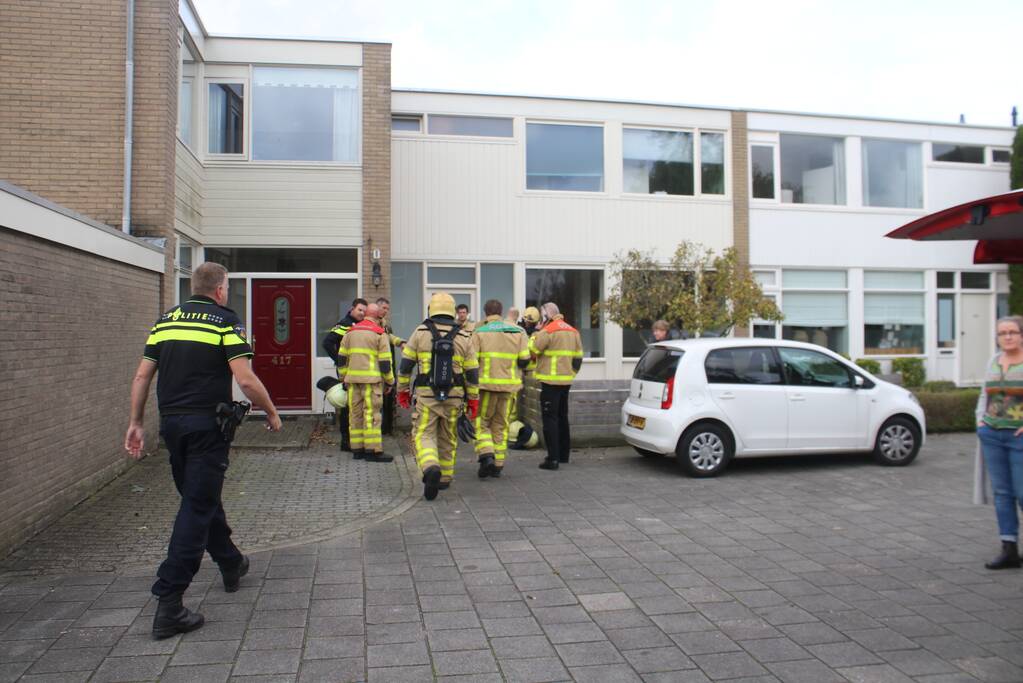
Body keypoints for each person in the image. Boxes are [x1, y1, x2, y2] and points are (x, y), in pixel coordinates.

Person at [124, 262, 282, 640]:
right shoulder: (225, 321)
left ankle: (230, 562)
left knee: (201, 497)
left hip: (172, 426)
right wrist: (273, 412)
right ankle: (169, 601)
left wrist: (135, 422)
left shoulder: (167, 320)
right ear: (221, 289)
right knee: (196, 506)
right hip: (207, 427)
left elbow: (143, 374)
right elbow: (244, 378)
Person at [397, 293, 479, 500]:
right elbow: (472, 373)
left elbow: (405, 366)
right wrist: (473, 400)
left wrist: (403, 391)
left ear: (431, 309)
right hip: (455, 397)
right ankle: (444, 479)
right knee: (448, 437)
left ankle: (430, 467)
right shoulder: (464, 336)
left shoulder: (420, 332)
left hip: (426, 396)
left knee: (424, 435)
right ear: (452, 311)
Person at [975, 315, 1023, 570]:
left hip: (1019, 437)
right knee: (1002, 494)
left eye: (1012, 332)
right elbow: (985, 393)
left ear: (1021, 335)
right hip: (992, 434)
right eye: (1002, 333)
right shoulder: (994, 361)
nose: (1007, 337)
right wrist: (980, 422)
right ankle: (1009, 548)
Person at [472, 299, 530, 478]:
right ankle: (498, 464)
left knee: (482, 423)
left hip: (486, 387)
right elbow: (524, 360)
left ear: (485, 313)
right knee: (500, 425)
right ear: (501, 311)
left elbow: (471, 363)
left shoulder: (479, 332)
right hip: (508, 388)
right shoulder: (517, 332)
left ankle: (487, 454)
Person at [529, 302, 583, 471]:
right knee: (562, 417)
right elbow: (578, 359)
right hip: (566, 382)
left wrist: (534, 333)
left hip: (550, 383)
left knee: (549, 419)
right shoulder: (573, 331)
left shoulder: (547, 331)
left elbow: (532, 351)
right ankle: (563, 455)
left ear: (546, 316)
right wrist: (570, 375)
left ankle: (552, 459)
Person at [338, 303, 394, 462]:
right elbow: (385, 363)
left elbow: (341, 358)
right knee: (372, 415)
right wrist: (390, 382)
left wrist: (343, 378)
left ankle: (357, 449)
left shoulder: (350, 332)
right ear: (378, 316)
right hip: (371, 382)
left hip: (353, 382)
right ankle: (373, 451)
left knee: (355, 415)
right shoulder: (379, 333)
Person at [322, 298, 367, 451]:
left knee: (355, 407)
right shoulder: (344, 324)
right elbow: (327, 343)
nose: (362, 313)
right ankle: (345, 441)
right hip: (346, 372)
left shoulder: (360, 325)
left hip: (357, 372)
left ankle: (353, 440)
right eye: (360, 310)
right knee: (347, 408)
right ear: (352, 309)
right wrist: (339, 360)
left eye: (364, 311)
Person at [376, 297, 404, 436]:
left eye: (387, 309)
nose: (386, 311)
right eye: (384, 308)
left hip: (388, 368)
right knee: (377, 403)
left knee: (388, 401)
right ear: (377, 307)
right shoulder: (373, 326)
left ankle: (386, 429)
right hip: (376, 371)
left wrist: (401, 343)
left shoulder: (386, 326)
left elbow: (390, 338)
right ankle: (378, 431)